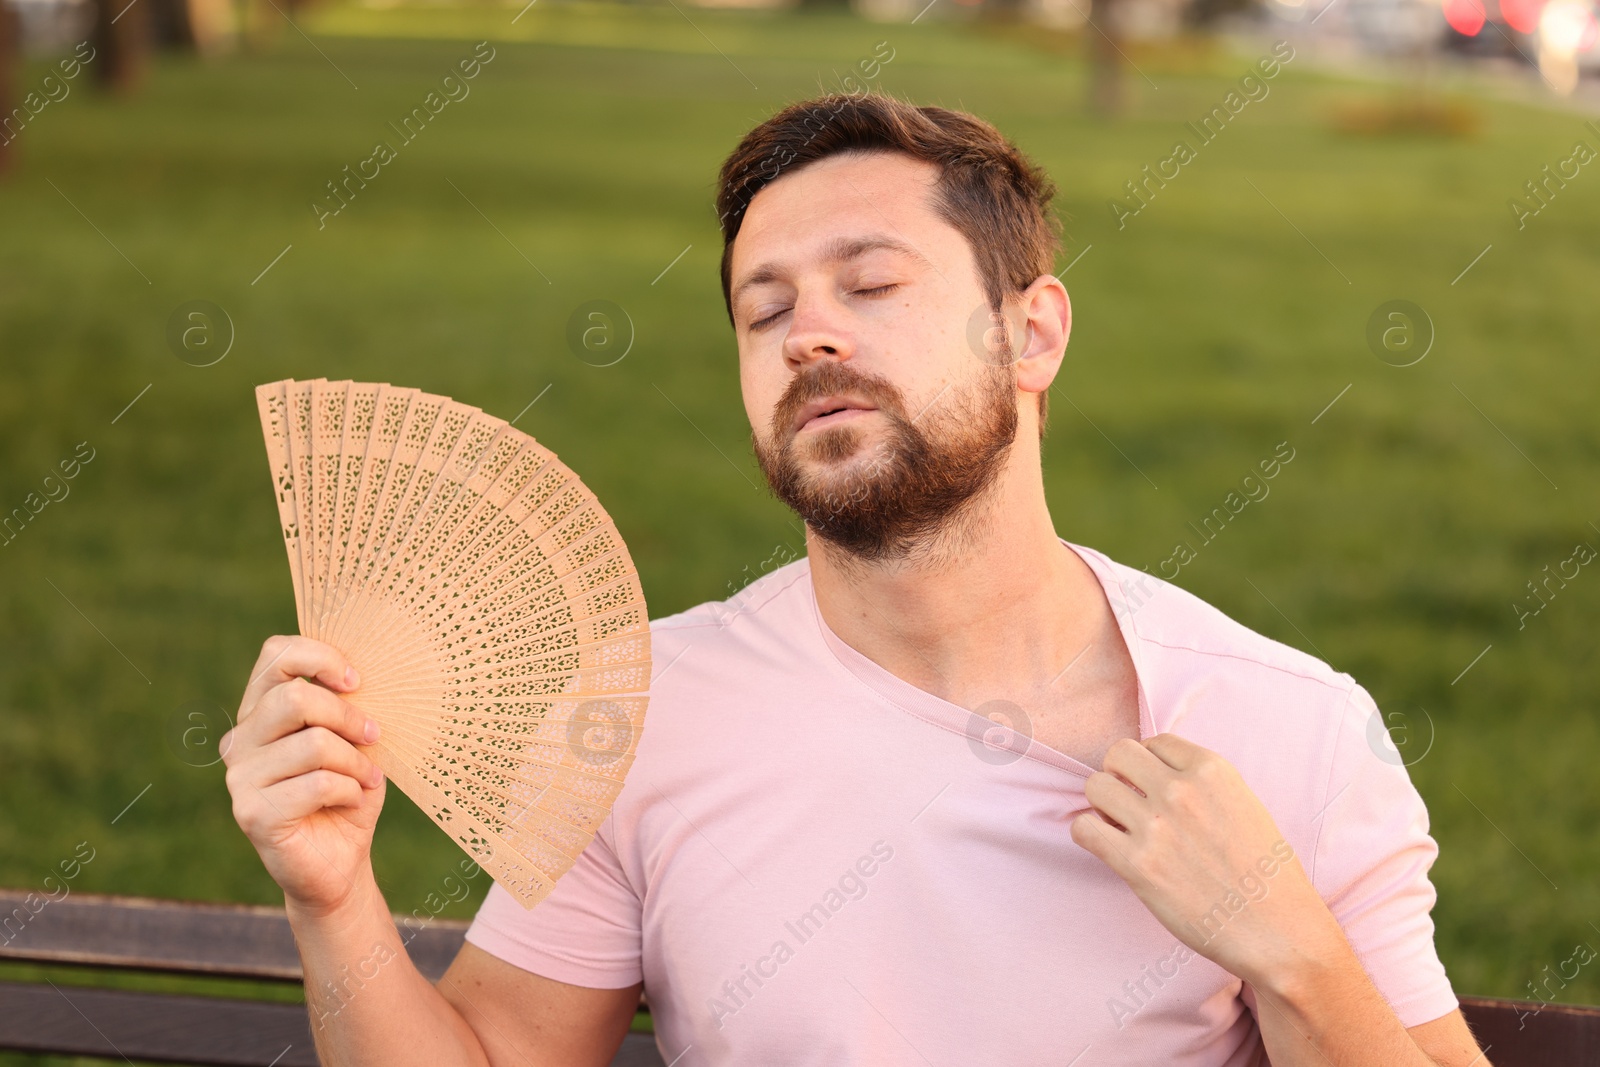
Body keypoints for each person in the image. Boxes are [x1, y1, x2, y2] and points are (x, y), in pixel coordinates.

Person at [223, 93, 1491, 1066]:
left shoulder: (1281, 724)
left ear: (1031, 330)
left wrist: (1292, 950)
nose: (809, 331)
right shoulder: (640, 711)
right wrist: (332, 896)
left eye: (872, 283)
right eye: (762, 310)